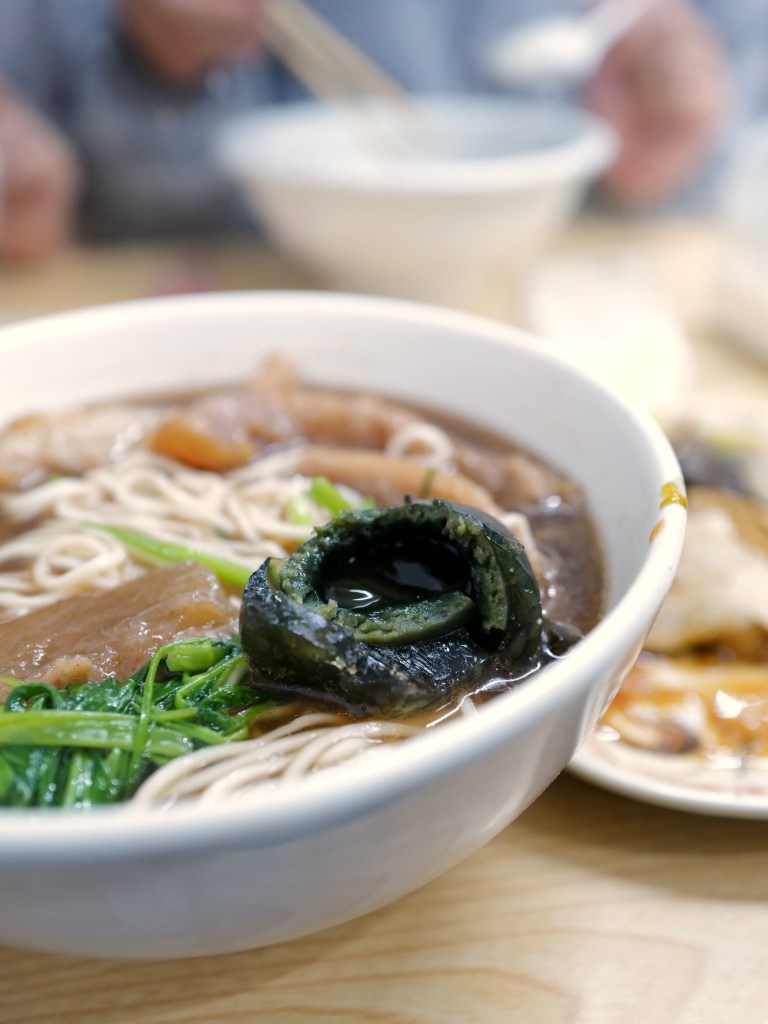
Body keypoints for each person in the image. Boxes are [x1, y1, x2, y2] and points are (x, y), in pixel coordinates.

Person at [0, 0, 753, 263]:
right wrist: (159, 70)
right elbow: (48, 179)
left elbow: (724, 135)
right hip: (224, 287)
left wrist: (675, 130)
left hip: (568, 291)